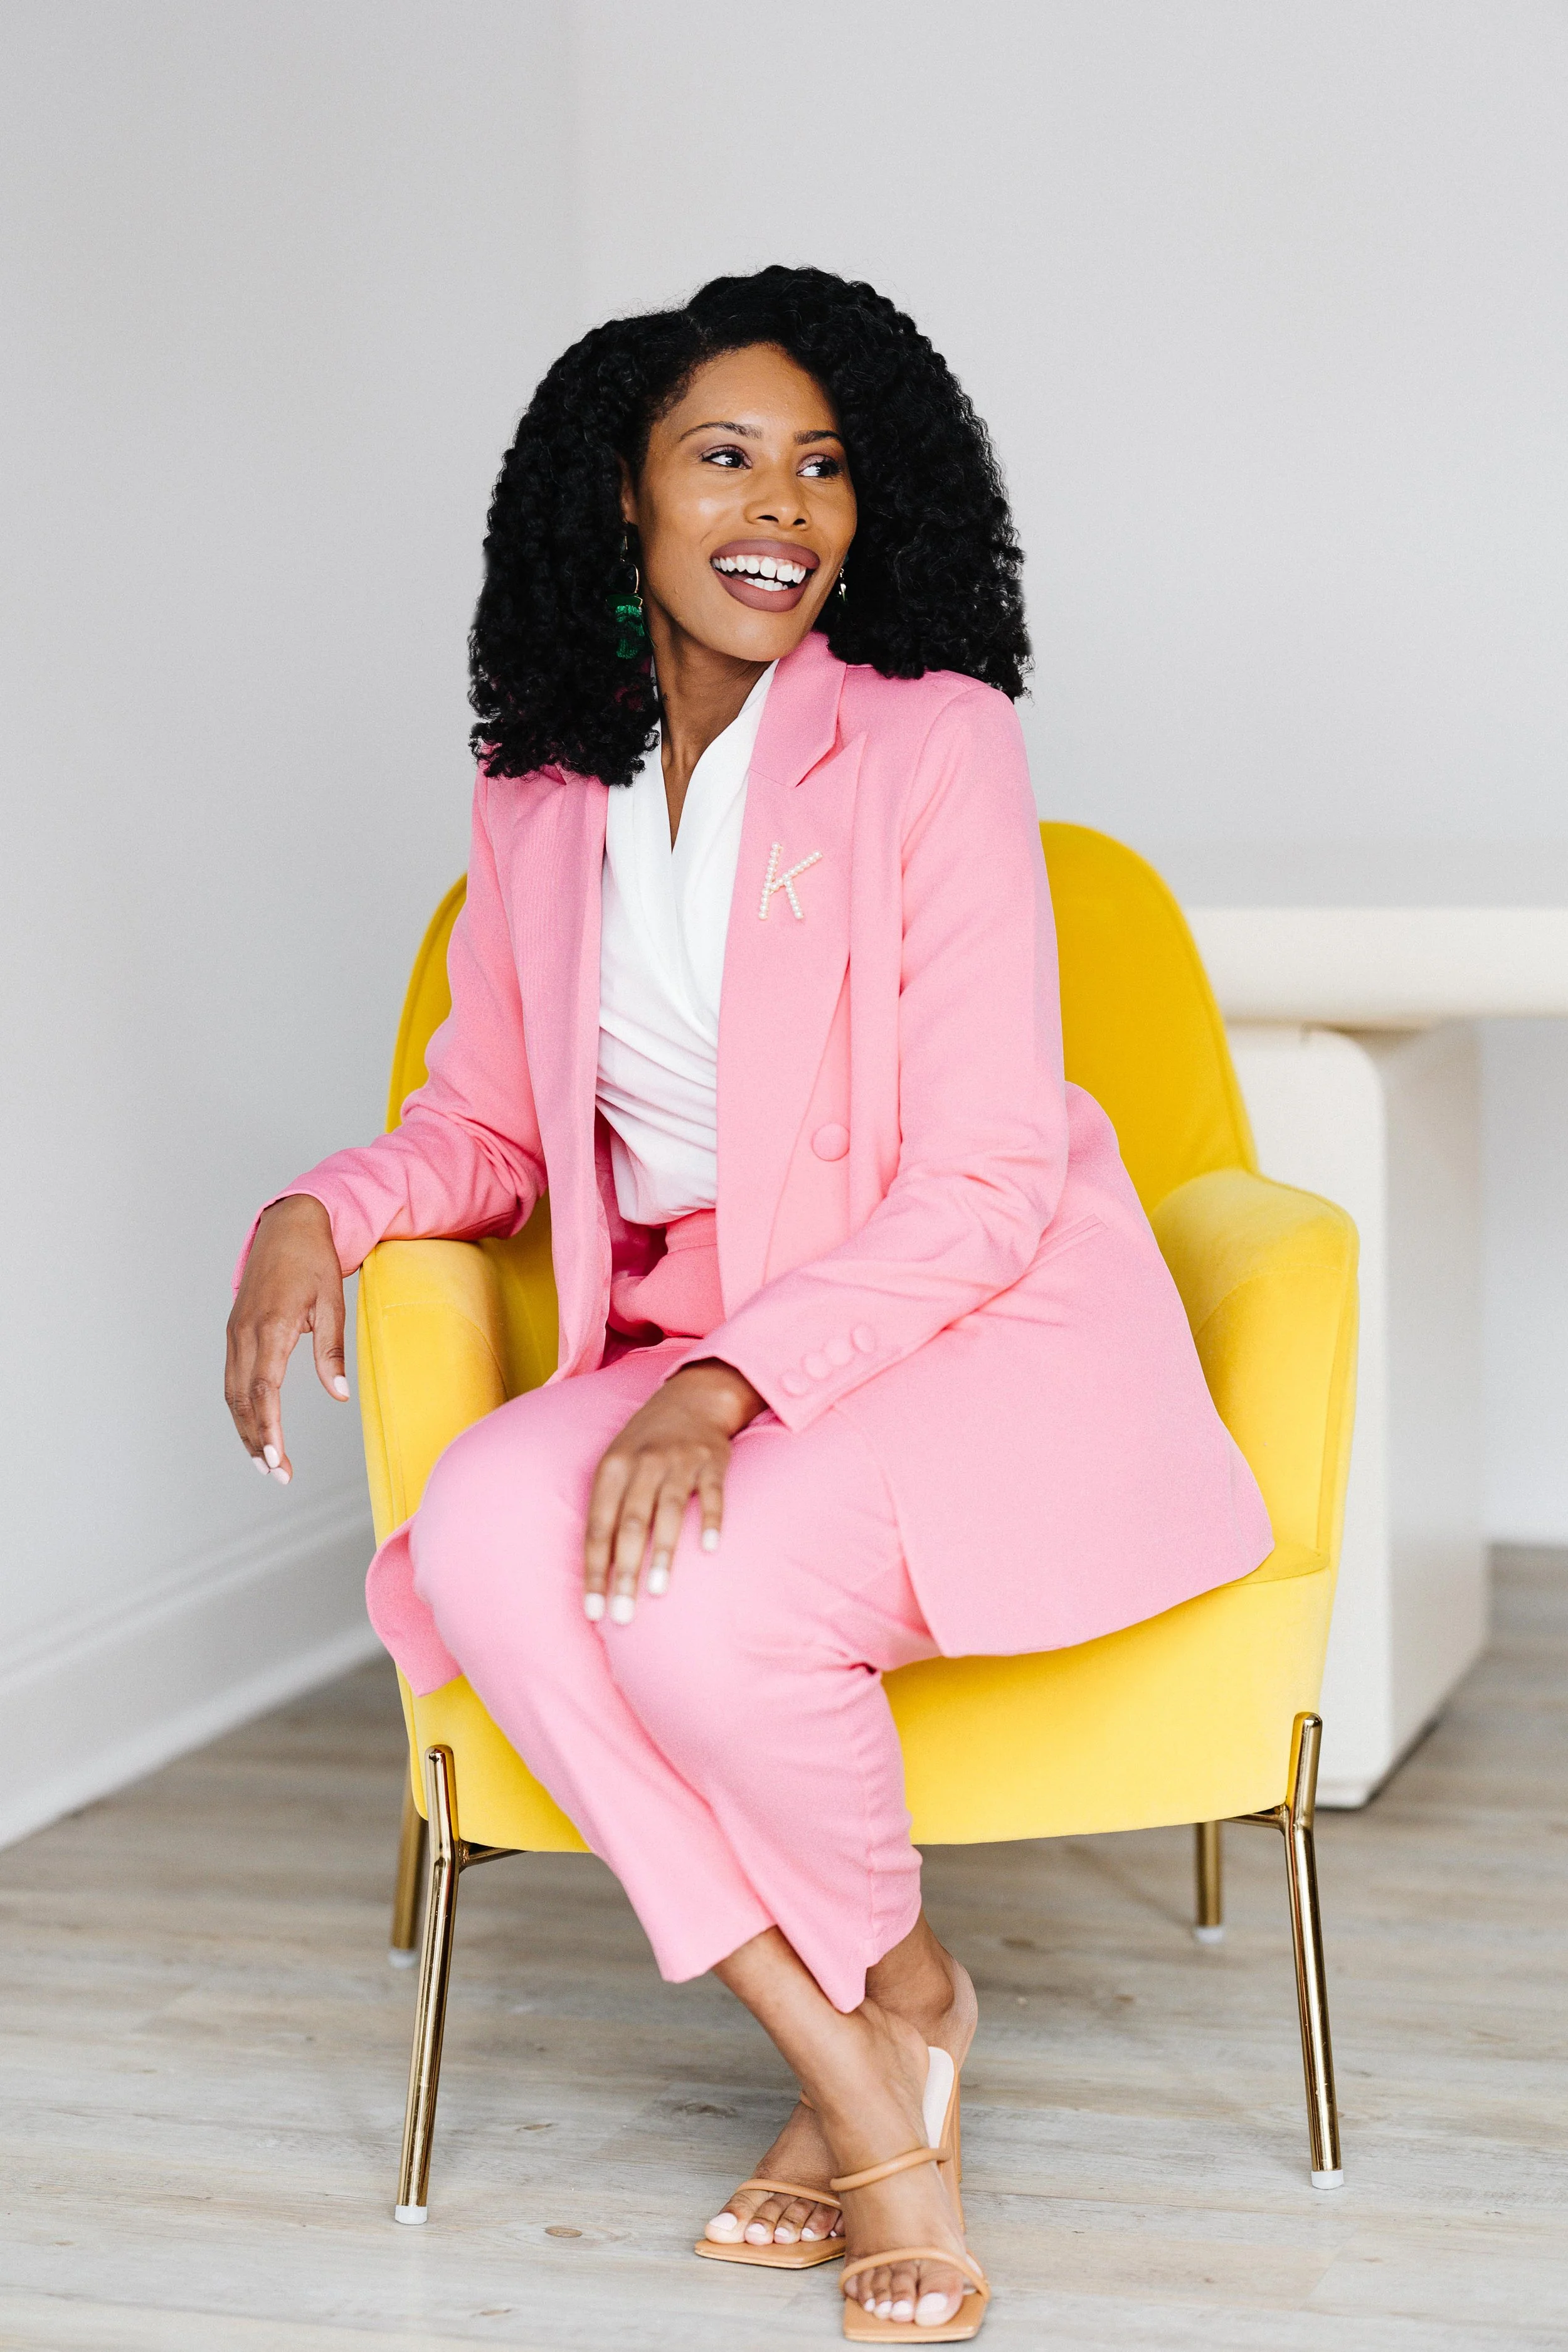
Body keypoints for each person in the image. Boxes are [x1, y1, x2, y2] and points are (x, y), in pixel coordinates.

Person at [225, 265, 1271, 2344]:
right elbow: (495, 1127)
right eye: (723, 454)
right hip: (713, 1339)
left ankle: (879, 2114)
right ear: (617, 495)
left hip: (974, 1328)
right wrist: (318, 1205)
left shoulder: (930, 747)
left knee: (695, 1606)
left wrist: (717, 1386)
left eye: (820, 463)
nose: (779, 500)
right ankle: (877, 2033)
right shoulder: (538, 793)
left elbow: (979, 1179)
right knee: (493, 1549)